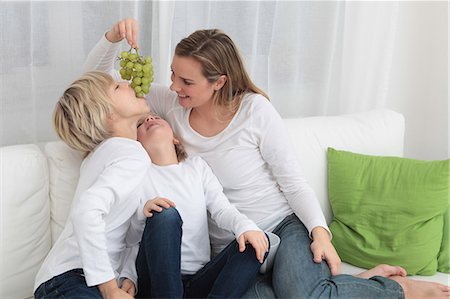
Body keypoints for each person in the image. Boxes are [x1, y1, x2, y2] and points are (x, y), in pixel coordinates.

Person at [84, 18, 450, 299]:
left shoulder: (254, 111)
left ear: (219, 81)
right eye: (173, 76)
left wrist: (319, 233)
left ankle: (399, 290)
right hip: (236, 246)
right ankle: (360, 283)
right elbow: (95, 86)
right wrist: (112, 38)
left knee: (303, 295)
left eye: (187, 81)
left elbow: (292, 180)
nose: (175, 87)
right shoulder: (172, 105)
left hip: (279, 227)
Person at [34, 71, 151, 298]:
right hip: (73, 278)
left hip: (63, 279)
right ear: (107, 114)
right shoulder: (130, 154)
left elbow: (127, 228)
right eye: (117, 87)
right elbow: (86, 212)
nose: (128, 84)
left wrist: (128, 276)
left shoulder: (101, 155)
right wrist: (110, 290)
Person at [132, 113, 269, 298]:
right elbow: (128, 239)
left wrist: (245, 227)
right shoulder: (138, 175)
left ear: (175, 139)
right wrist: (143, 213)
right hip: (157, 281)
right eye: (140, 123)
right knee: (165, 214)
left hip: (198, 280)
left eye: (155, 117)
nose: (149, 120)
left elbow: (222, 209)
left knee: (256, 240)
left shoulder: (196, 167)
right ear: (137, 143)